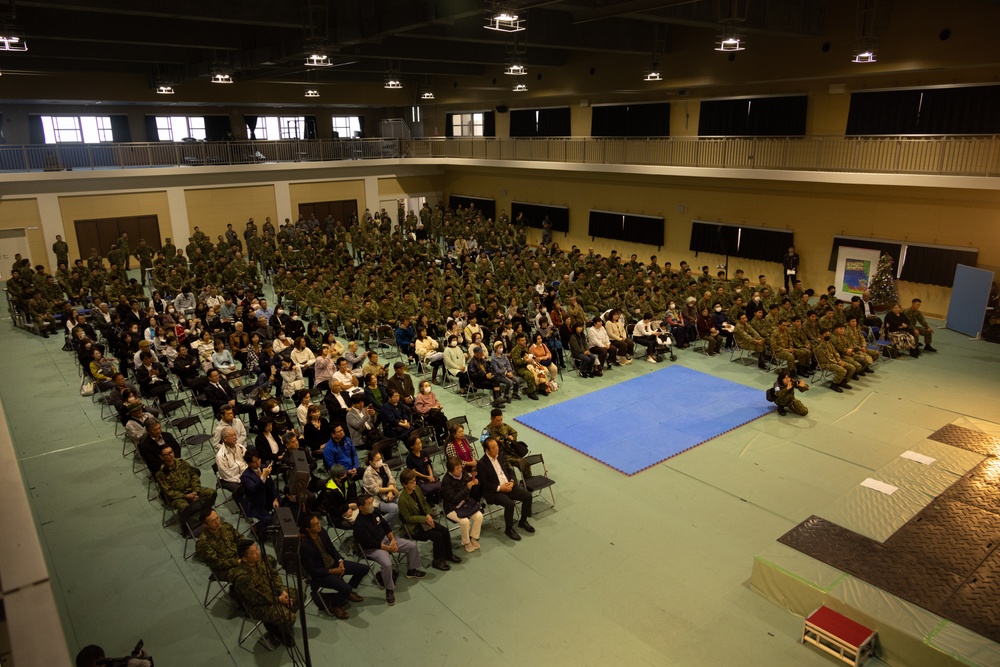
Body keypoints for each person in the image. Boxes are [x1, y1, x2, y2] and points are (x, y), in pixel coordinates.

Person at [353, 494, 425, 606]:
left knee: (411, 546)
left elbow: (386, 526)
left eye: (371, 502)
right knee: (387, 564)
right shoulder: (359, 524)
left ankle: (411, 570)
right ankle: (389, 589)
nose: (371, 505)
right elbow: (370, 542)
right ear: (361, 507)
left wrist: (393, 540)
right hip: (373, 548)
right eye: (368, 504)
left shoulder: (375, 512)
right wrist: (388, 548)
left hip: (386, 540)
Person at [299, 512, 368, 619]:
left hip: (334, 563)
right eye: (315, 524)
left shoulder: (322, 532)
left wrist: (340, 561)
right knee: (345, 588)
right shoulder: (305, 546)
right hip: (323, 573)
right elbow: (313, 571)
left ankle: (348, 592)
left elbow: (332, 549)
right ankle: (335, 605)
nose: (319, 525)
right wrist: (333, 571)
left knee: (364, 569)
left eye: (318, 522)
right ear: (308, 529)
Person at [232, 540, 297, 647]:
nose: (257, 553)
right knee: (288, 616)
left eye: (256, 549)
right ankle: (278, 631)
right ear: (244, 559)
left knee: (298, 596)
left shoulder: (261, 560)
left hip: (274, 593)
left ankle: (281, 626)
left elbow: (274, 575)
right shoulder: (242, 577)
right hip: (258, 606)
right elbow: (256, 599)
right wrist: (279, 600)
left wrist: (282, 591)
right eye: (253, 552)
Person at [398, 469, 462, 571]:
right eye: (411, 482)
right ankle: (437, 561)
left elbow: (424, 503)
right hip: (415, 527)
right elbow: (407, 518)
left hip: (425, 520)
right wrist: (424, 518)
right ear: (404, 484)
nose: (414, 484)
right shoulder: (402, 500)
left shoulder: (417, 489)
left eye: (414, 481)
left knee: (444, 530)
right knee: (437, 536)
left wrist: (428, 514)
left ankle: (448, 555)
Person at [477, 437, 534, 541]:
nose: (496, 449)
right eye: (493, 447)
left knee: (527, 496)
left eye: (497, 446)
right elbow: (484, 484)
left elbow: (510, 470)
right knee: (510, 504)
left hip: (509, 486)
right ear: (487, 450)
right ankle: (509, 528)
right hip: (495, 492)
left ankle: (523, 520)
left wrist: (512, 481)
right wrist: (500, 488)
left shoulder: (501, 456)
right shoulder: (481, 464)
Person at [441, 456, 483, 552]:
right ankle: (466, 542)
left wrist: (475, 484)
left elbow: (472, 492)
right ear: (451, 470)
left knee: (479, 516)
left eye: (461, 467)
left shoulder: (464, 474)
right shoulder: (446, 481)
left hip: (465, 503)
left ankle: (473, 538)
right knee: (465, 521)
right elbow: (454, 499)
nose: (460, 470)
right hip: (451, 507)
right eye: (457, 468)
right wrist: (467, 488)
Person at [155, 444, 216, 511]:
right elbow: (169, 492)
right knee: (184, 506)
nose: (171, 455)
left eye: (171, 452)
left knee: (212, 493)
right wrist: (186, 496)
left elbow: (194, 475)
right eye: (167, 454)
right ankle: (190, 519)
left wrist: (196, 491)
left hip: (192, 490)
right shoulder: (161, 474)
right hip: (178, 498)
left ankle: (205, 511)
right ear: (161, 457)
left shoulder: (182, 462)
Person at [195, 508, 242, 582]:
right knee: (245, 577)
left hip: (239, 557)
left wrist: (246, 552)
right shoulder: (204, 542)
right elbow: (216, 563)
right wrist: (236, 562)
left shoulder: (226, 526)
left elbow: (240, 539)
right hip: (223, 570)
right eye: (213, 521)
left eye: (217, 517)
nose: (217, 522)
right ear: (205, 525)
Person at [239, 451, 279, 528]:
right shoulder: (245, 477)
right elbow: (255, 489)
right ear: (248, 463)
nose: (258, 463)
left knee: (285, 507)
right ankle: (256, 528)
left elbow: (271, 485)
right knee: (269, 519)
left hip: (268, 498)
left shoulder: (263, 467)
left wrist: (275, 498)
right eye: (254, 462)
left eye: (259, 460)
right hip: (256, 504)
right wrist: (263, 476)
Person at [486, 408, 529, 476]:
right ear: (491, 419)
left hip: (509, 452)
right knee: (509, 470)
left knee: (524, 463)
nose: (500, 422)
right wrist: (495, 441)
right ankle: (513, 485)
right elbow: (484, 444)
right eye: (497, 420)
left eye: (501, 420)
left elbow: (514, 432)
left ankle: (527, 483)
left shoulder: (505, 426)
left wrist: (512, 437)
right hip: (498, 455)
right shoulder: (486, 430)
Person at [362, 449, 399, 526]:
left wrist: (390, 492)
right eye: (377, 460)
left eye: (380, 458)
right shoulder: (368, 474)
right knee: (395, 509)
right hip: (376, 499)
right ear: (371, 462)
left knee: (402, 503)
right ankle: (381, 526)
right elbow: (376, 490)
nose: (380, 461)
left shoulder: (384, 466)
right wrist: (391, 489)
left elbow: (391, 479)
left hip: (389, 494)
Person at [405, 435, 440, 502]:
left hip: (429, 476)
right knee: (428, 490)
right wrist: (426, 477)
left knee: (439, 487)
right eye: (417, 444)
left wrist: (431, 475)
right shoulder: (410, 458)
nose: (420, 445)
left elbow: (428, 465)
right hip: (419, 480)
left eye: (420, 443)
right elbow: (414, 472)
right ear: (412, 446)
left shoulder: (424, 453)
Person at [215, 426, 248, 492]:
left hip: (245, 473)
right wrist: (241, 479)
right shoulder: (221, 456)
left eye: (235, 435)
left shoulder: (240, 447)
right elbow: (226, 475)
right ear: (225, 439)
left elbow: (248, 461)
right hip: (231, 478)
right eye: (231, 436)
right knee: (244, 488)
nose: (234, 437)